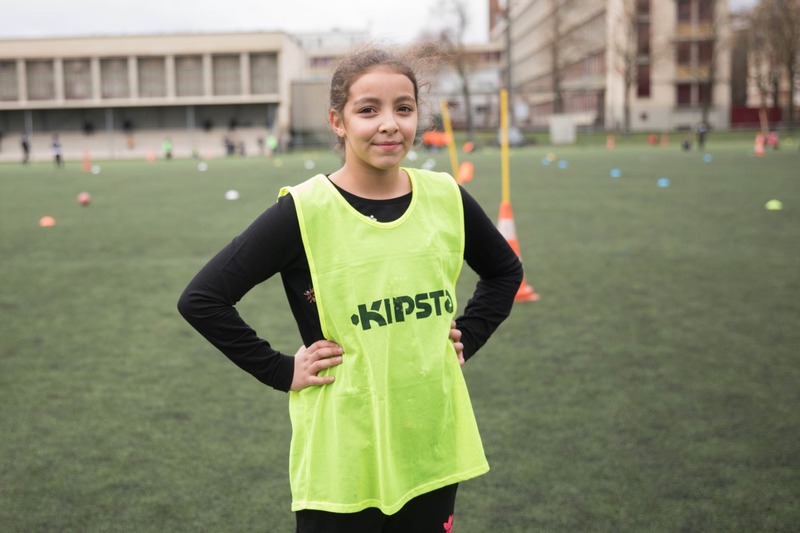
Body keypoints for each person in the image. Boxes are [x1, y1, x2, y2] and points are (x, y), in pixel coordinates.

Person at [178, 44, 524, 533]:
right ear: (338, 122)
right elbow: (202, 299)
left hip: (428, 440)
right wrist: (280, 370)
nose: (390, 123)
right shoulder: (304, 210)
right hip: (342, 451)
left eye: (404, 108)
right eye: (369, 110)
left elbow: (504, 270)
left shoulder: (445, 196)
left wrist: (471, 333)